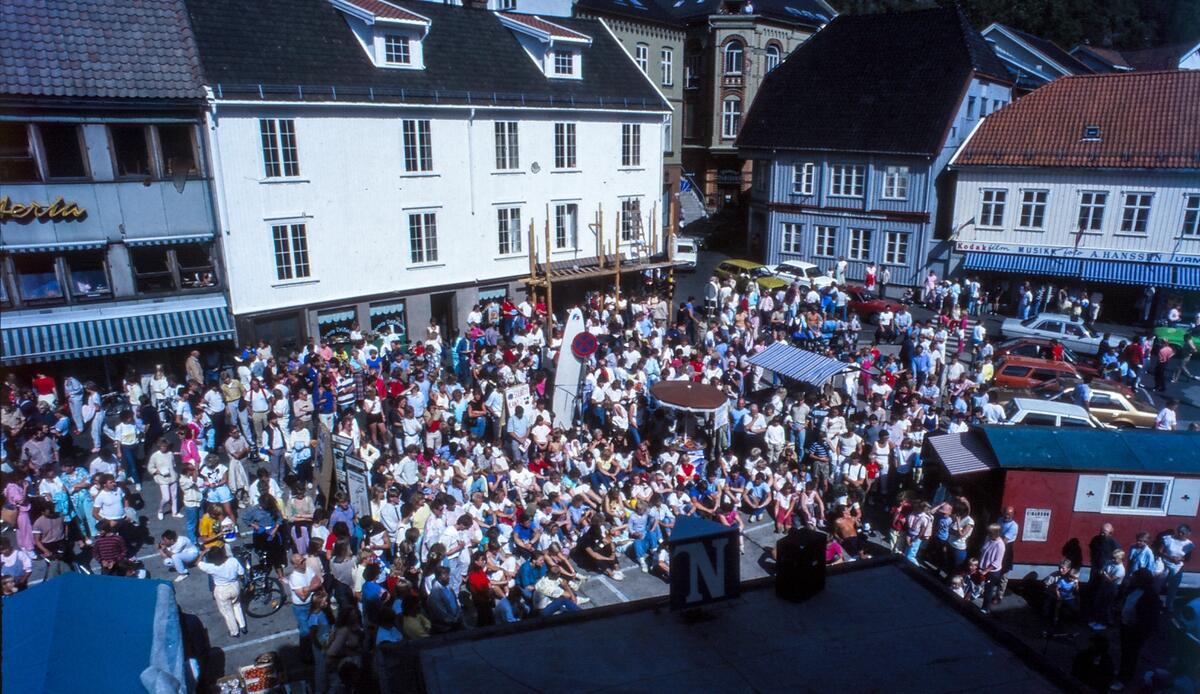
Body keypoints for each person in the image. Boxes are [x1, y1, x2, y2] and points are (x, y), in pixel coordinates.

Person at [1112, 569, 1160, 691]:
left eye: (1135, 577)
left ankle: (1124, 679)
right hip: (1126, 626)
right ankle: (1123, 671)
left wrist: (1140, 631)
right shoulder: (1133, 589)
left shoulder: (1150, 596)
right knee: (1125, 652)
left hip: (1135, 631)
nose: (1132, 578)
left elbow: (1148, 618)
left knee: (1131, 655)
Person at [196, 545, 247, 638]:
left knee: (228, 612)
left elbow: (198, 563)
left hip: (221, 590)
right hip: (234, 586)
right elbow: (241, 572)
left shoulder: (211, 567)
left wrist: (202, 553)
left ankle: (234, 631)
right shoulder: (233, 561)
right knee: (237, 605)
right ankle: (242, 625)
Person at [147, 439, 180, 520]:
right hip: (163, 479)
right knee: (166, 498)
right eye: (162, 446)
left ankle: (174, 512)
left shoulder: (170, 454)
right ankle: (160, 510)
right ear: (159, 447)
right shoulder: (155, 456)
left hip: (172, 477)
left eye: (165, 446)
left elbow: (173, 464)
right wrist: (156, 471)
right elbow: (150, 467)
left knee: (174, 496)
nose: (164, 448)